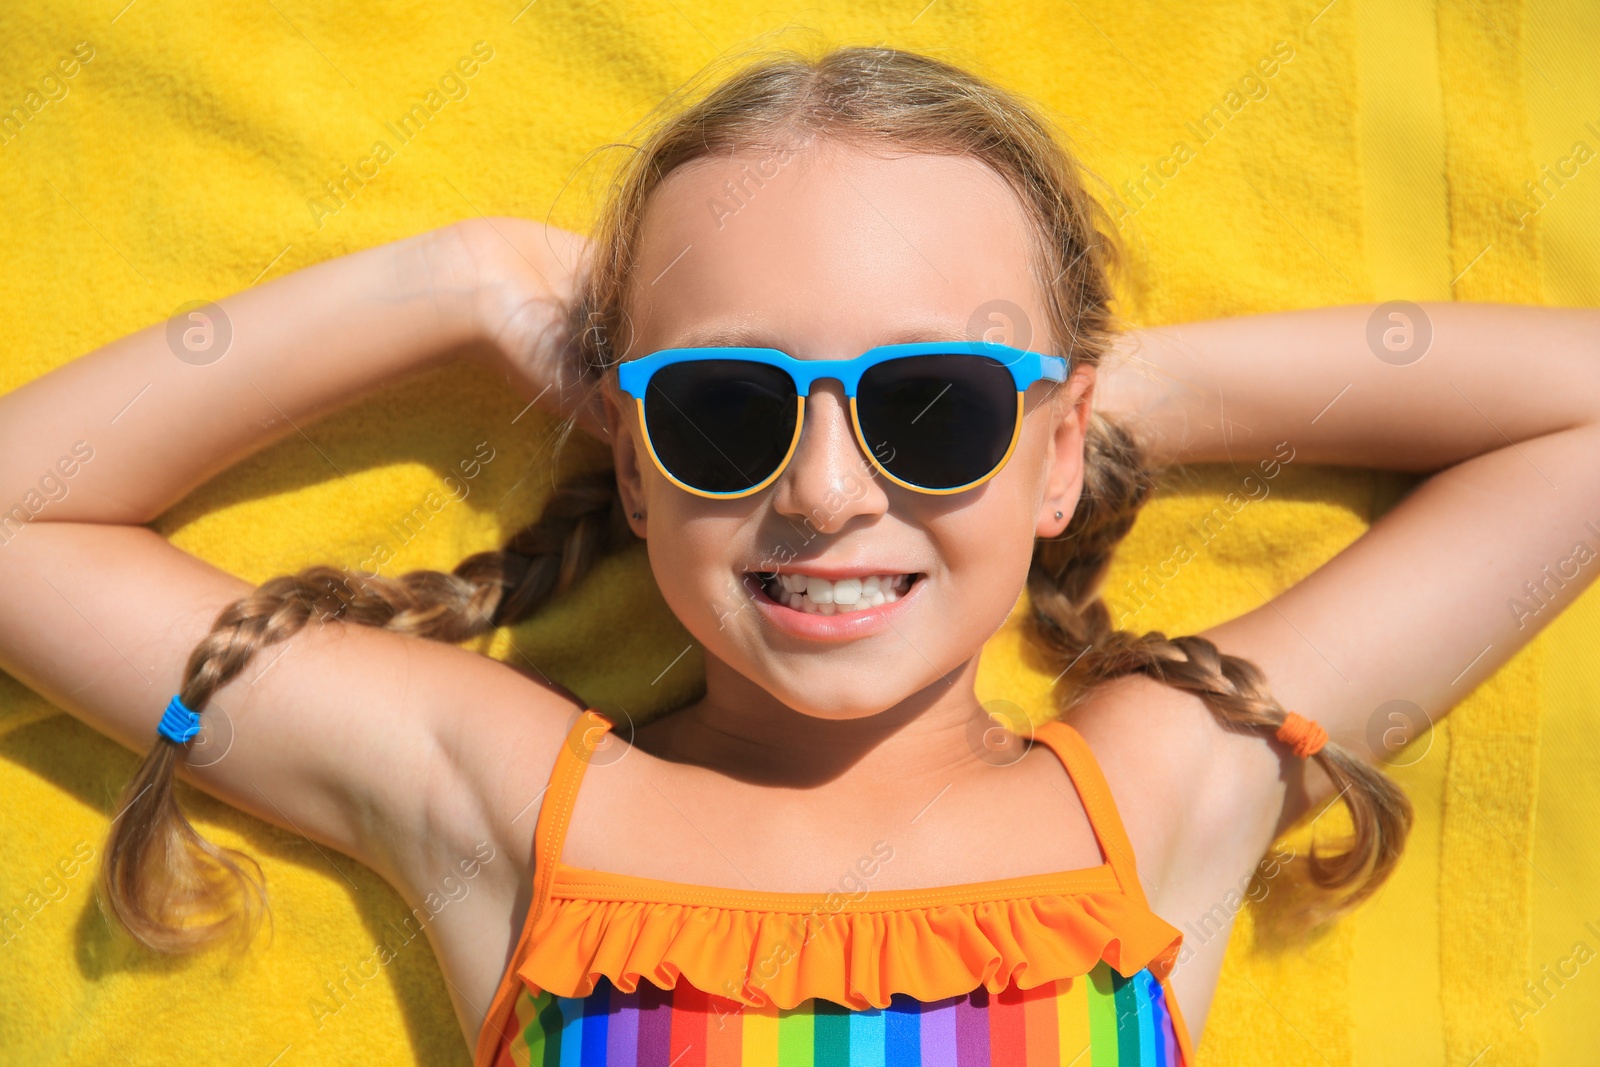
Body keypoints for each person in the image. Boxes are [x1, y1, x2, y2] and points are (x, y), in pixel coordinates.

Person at [2, 45, 1596, 1065]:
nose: (827, 492)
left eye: (928, 406)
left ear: (1055, 450)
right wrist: (455, 280)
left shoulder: (1157, 793)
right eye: (719, 408)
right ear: (632, 463)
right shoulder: (513, 800)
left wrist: (1089, 408)